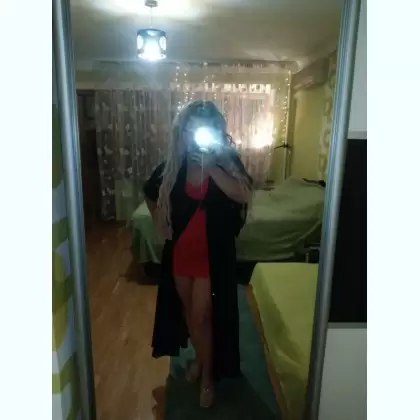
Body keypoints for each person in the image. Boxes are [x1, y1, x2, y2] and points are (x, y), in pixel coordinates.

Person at [143, 100, 252, 408]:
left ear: (216, 130)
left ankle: (207, 377)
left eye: (205, 127)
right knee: (190, 313)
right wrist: (159, 219)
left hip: (212, 254)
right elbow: (150, 191)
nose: (197, 134)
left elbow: (244, 193)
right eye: (192, 128)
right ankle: (202, 361)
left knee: (202, 314)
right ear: (184, 131)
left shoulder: (226, 160)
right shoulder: (175, 163)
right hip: (181, 251)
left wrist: (211, 167)